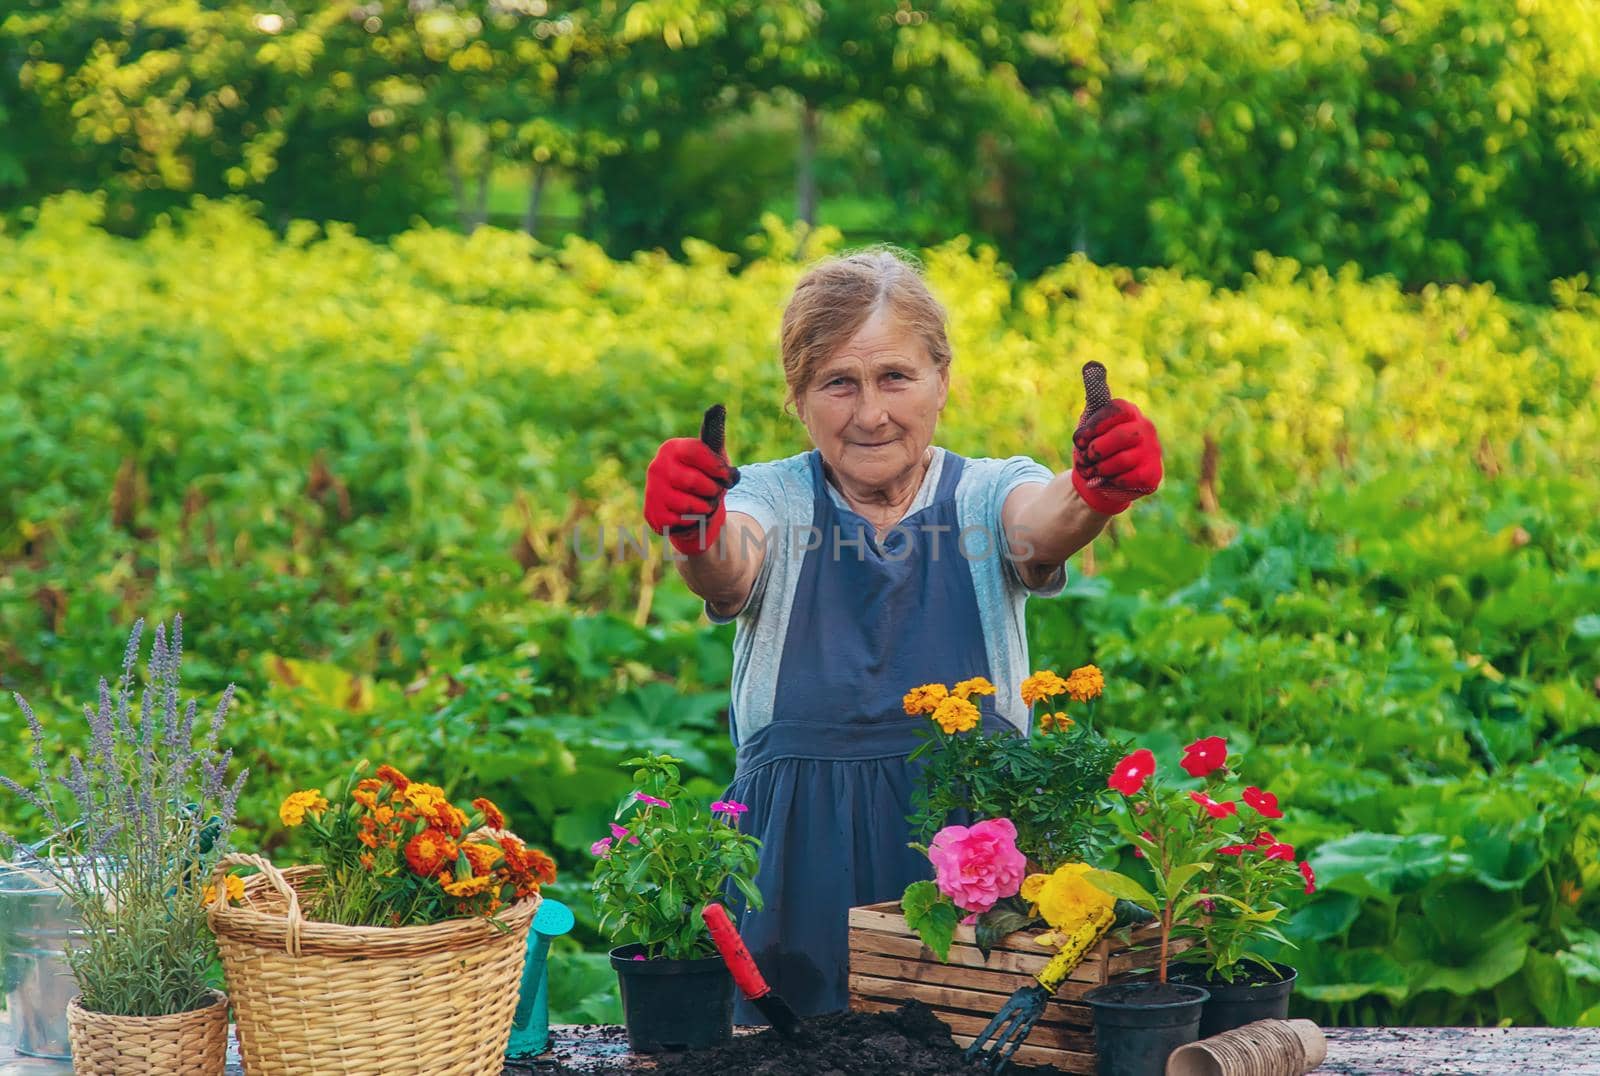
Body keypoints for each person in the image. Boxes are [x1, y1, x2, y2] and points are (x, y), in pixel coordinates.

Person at [641, 250, 1163, 1020]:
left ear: (941, 380)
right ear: (798, 398)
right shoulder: (770, 497)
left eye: (895, 377)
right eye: (838, 383)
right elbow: (729, 567)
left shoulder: (987, 493)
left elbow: (1043, 524)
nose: (871, 413)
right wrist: (695, 528)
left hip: (966, 859)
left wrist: (1096, 490)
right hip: (796, 861)